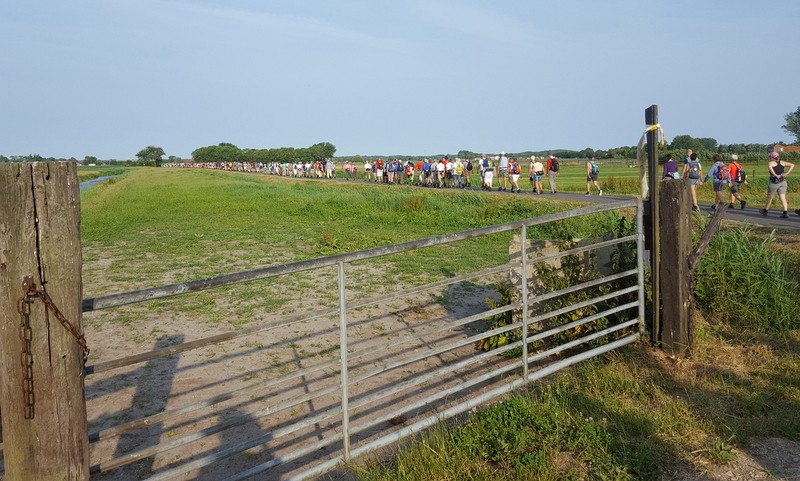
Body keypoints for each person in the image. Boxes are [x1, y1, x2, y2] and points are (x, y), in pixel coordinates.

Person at [760, 151, 795, 218]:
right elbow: (792, 165)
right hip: (783, 182)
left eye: (770, 157)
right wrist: (787, 173)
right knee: (783, 197)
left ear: (773, 157)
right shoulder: (782, 162)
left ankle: (765, 210)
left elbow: (770, 167)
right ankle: (785, 212)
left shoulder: (771, 163)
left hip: (774, 182)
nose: (770, 158)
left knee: (770, 197)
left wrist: (775, 175)